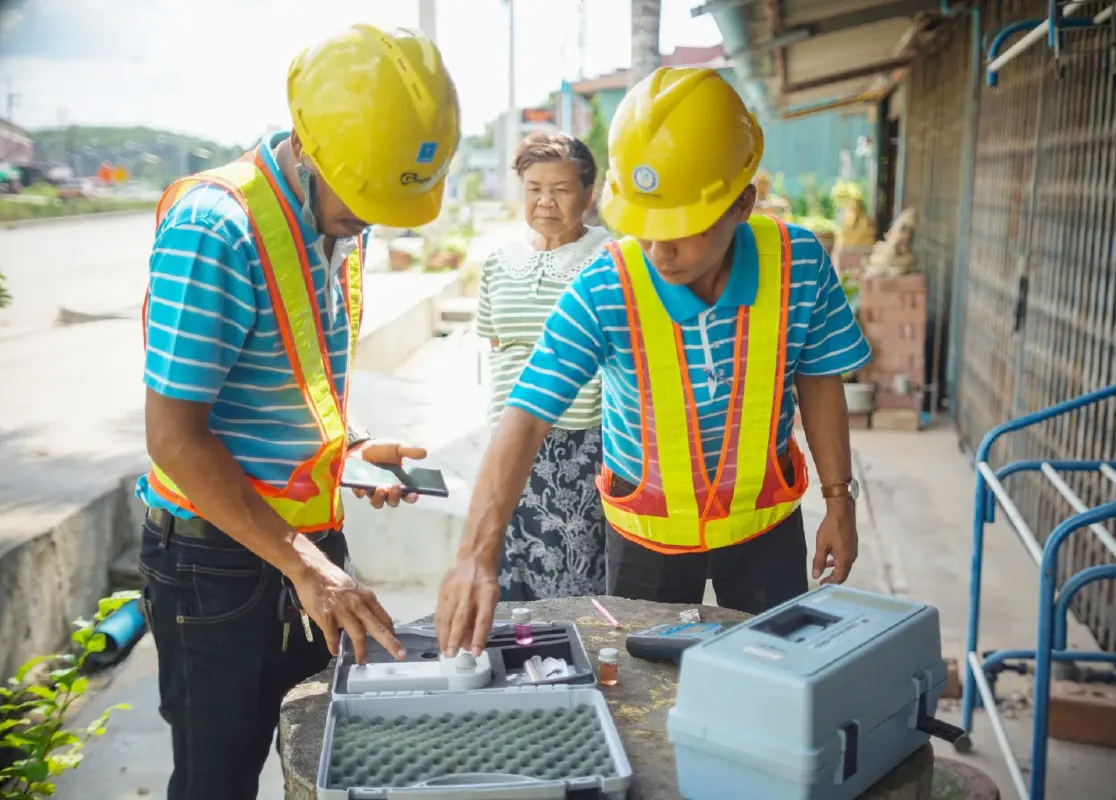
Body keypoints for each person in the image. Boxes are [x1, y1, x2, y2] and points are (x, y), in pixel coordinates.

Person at [436, 66, 871, 656]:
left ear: (742, 203)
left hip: (765, 529)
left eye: (683, 229)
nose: (661, 251)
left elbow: (818, 377)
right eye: (646, 227)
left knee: (774, 671)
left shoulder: (799, 264)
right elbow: (528, 412)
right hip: (646, 538)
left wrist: (839, 499)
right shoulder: (606, 285)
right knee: (643, 682)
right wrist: (475, 555)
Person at [136, 25, 459, 800]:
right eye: (364, 199)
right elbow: (175, 439)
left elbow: (280, 380)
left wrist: (352, 451)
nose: (370, 219)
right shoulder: (215, 228)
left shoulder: (335, 219)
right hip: (219, 570)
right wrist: (307, 567)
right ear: (311, 146)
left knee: (322, 764)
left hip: (302, 550)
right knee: (217, 783)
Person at [476, 132, 611, 601]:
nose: (545, 201)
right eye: (534, 188)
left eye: (561, 189)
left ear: (588, 195)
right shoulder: (499, 262)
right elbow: (497, 346)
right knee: (505, 579)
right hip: (507, 439)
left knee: (573, 587)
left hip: (581, 445)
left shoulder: (610, 259)